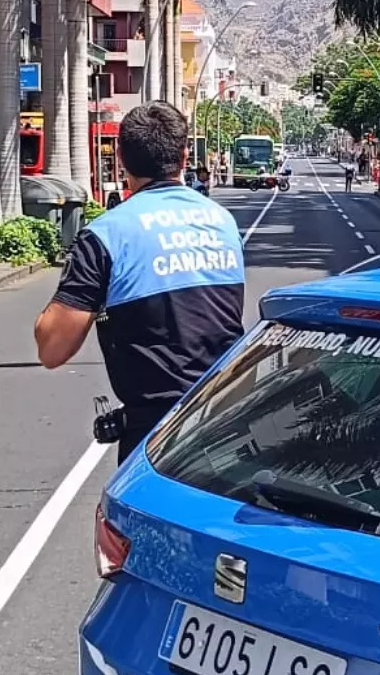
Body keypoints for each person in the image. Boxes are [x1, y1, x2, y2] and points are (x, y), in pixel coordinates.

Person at [33, 102, 246, 461]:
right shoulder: (222, 222)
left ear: (121, 159)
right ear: (183, 156)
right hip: (227, 413)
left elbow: (53, 348)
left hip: (157, 434)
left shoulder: (107, 234)